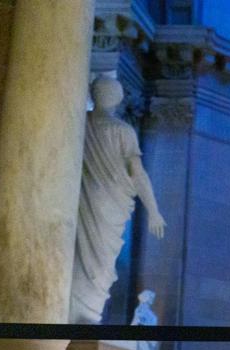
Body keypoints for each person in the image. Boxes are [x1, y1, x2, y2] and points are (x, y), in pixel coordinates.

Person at [69, 76, 166, 325]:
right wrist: (154, 211)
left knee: (85, 261)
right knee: (97, 267)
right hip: (106, 205)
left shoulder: (80, 123)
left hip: (86, 201)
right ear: (118, 98)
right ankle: (84, 321)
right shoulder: (123, 131)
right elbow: (139, 174)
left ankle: (79, 322)